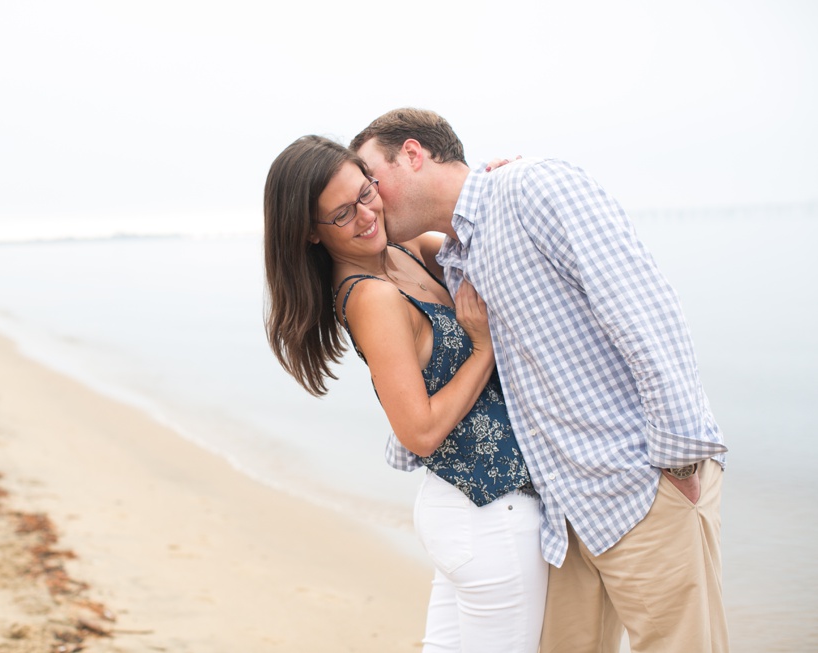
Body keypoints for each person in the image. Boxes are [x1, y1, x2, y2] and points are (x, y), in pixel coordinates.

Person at [350, 108, 730, 653]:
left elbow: (647, 317)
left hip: (641, 487)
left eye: (372, 182)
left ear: (412, 154)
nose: (372, 200)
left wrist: (681, 461)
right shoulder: (454, 257)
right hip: (564, 514)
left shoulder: (532, 187)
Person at [263, 135, 547, 652]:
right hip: (487, 518)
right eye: (342, 214)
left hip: (468, 511)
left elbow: (484, 243)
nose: (367, 215)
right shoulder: (369, 297)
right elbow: (418, 432)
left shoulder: (403, 250)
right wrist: (482, 349)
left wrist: (498, 182)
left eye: (366, 193)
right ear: (309, 232)